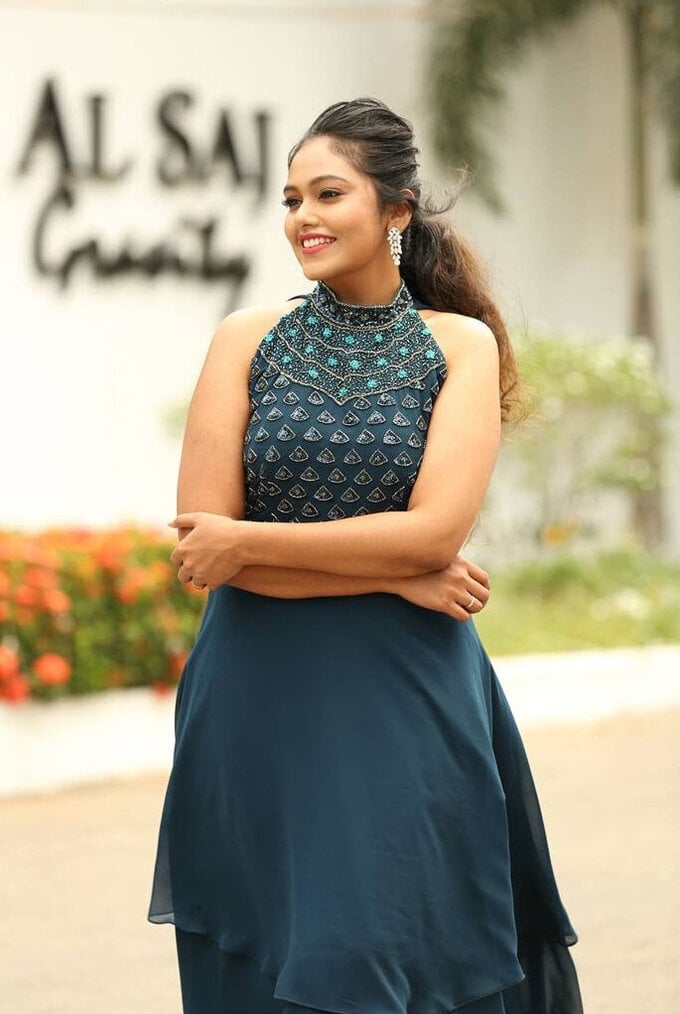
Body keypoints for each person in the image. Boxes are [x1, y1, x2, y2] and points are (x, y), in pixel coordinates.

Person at [147, 97, 583, 1014]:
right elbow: (204, 552)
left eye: (327, 193)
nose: (302, 217)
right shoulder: (245, 339)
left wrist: (253, 541)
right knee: (277, 947)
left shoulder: (457, 344)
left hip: (403, 693)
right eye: (290, 199)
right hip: (257, 694)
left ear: (396, 210)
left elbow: (433, 534)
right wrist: (394, 573)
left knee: (377, 941)